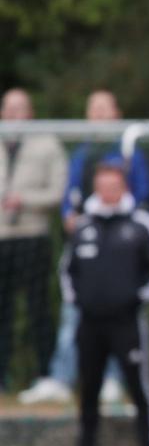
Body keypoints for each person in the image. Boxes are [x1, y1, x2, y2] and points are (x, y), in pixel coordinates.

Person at [20, 89, 149, 405]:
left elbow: (144, 200)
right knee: (73, 318)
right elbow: (70, 196)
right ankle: (62, 378)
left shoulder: (130, 151)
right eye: (93, 110)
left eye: (105, 109)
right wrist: (69, 215)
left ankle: (114, 378)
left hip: (119, 255)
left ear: (117, 113)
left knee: (120, 320)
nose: (99, 116)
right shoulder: (82, 153)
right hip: (88, 249)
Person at [59, 160, 149, 446]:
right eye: (103, 186)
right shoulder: (82, 225)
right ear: (96, 188)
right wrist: (76, 301)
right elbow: (67, 270)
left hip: (127, 321)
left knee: (138, 383)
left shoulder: (142, 223)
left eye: (114, 186)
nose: (108, 192)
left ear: (124, 188)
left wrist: (137, 299)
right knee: (89, 385)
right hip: (89, 321)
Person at [0, 88, 67, 394]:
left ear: (31, 112)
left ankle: (46, 375)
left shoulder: (47, 144)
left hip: (33, 234)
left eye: (20, 109)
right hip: (2, 237)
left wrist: (23, 200)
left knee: (38, 307)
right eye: (8, 109)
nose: (14, 115)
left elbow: (57, 192)